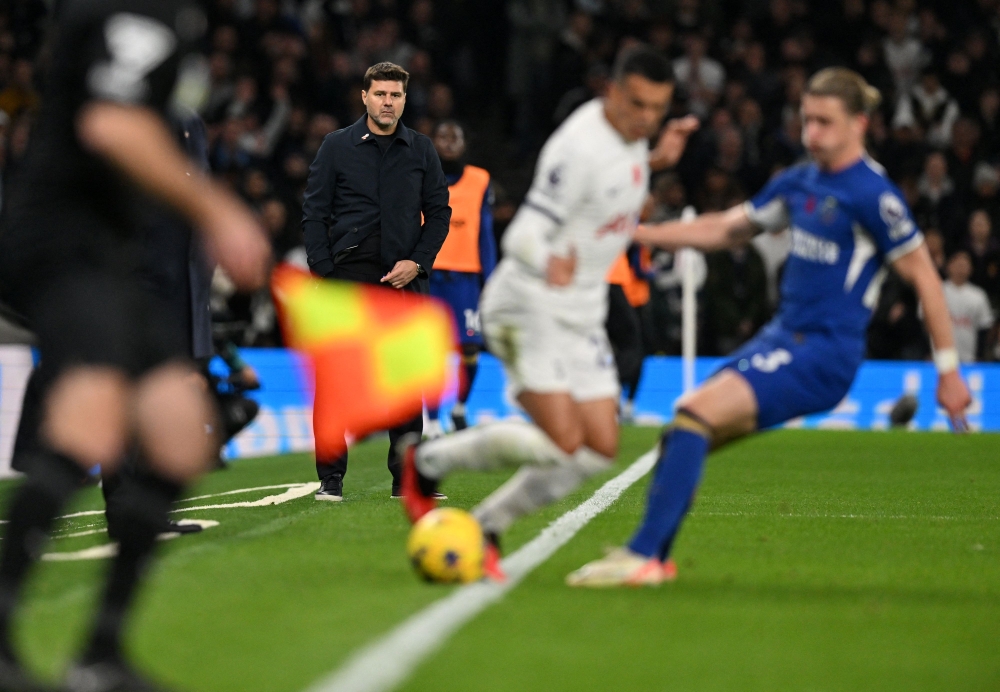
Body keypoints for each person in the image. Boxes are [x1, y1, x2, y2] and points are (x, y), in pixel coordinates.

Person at [566, 68, 972, 588]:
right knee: (681, 434)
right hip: (782, 338)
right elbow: (726, 228)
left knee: (694, 415)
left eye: (825, 122)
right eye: (807, 120)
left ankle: (641, 556)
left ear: (860, 124)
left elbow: (926, 280)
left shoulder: (874, 195)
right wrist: (639, 232)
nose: (812, 133)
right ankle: (654, 560)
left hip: (825, 353)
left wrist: (948, 371)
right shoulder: (798, 181)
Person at [0, 1, 272, 689]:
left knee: (182, 434)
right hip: (61, 242)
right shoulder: (133, 15)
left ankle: (100, 655)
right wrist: (217, 210)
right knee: (90, 425)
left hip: (113, 256)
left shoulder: (175, 24)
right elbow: (109, 123)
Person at [399, 46, 698, 581]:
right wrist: (550, 259)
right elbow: (523, 235)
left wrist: (658, 161)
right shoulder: (577, 147)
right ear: (612, 90)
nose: (647, 118)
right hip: (528, 301)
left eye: (658, 109)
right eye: (637, 104)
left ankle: (487, 526)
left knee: (598, 451)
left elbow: (619, 180)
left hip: (578, 313)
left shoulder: (633, 143)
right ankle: (426, 463)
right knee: (564, 442)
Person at [302, 62, 452, 501]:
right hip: (347, 281)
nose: (389, 102)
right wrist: (326, 275)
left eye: (397, 95)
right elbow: (314, 213)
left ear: (405, 100)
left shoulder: (421, 149)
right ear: (364, 97)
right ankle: (330, 480)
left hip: (403, 282)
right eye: (381, 94)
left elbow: (440, 213)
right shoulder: (335, 147)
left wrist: (418, 263)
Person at [424, 121, 497, 438]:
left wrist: (491, 279)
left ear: (465, 143)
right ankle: (431, 419)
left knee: (470, 347)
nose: (449, 143)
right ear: (433, 142)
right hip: (430, 276)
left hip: (466, 279)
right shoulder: (421, 177)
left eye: (456, 137)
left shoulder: (480, 181)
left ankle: (459, 409)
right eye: (443, 137)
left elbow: (486, 233)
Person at [938, 251, 994, 363]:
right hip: (940, 357)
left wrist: (980, 354)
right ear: (949, 266)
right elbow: (925, 322)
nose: (961, 269)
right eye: (958, 265)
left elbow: (984, 327)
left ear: (971, 269)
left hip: (969, 358)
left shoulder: (978, 295)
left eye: (964, 266)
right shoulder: (937, 291)